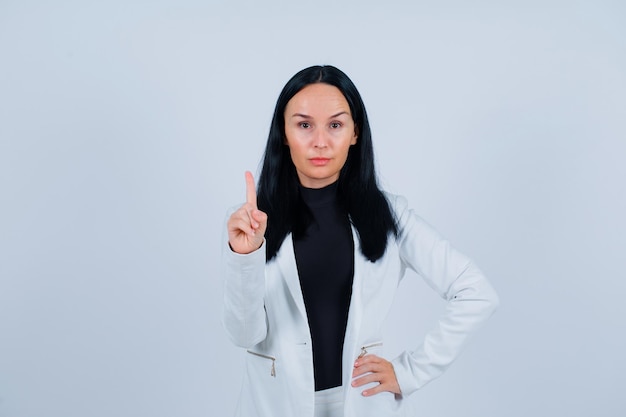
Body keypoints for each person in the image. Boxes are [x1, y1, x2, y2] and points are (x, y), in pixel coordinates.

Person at [222, 65, 499, 417]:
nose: (320, 141)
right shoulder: (248, 223)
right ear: (284, 133)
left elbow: (476, 292)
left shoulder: (389, 215)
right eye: (304, 125)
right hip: (273, 405)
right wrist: (244, 257)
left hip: (361, 403)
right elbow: (244, 336)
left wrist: (409, 372)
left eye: (335, 125)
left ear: (355, 133)